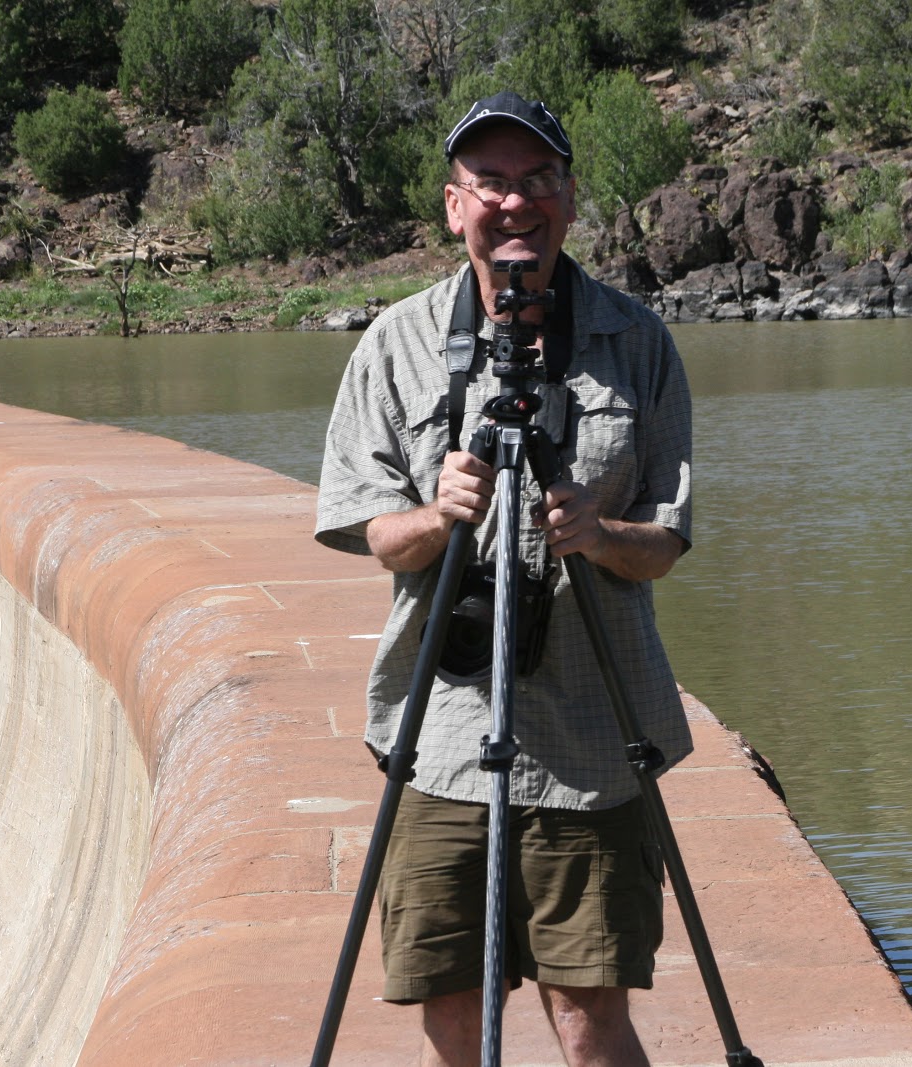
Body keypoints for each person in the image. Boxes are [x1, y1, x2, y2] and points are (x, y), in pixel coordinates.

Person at [315, 90, 694, 1067]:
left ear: (568, 199)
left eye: (535, 181)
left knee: (588, 1012)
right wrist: (439, 516)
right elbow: (368, 531)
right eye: (491, 182)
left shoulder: (636, 341)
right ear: (454, 205)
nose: (513, 202)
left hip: (592, 734)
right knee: (450, 1007)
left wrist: (598, 531)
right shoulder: (394, 346)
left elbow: (667, 540)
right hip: (439, 732)